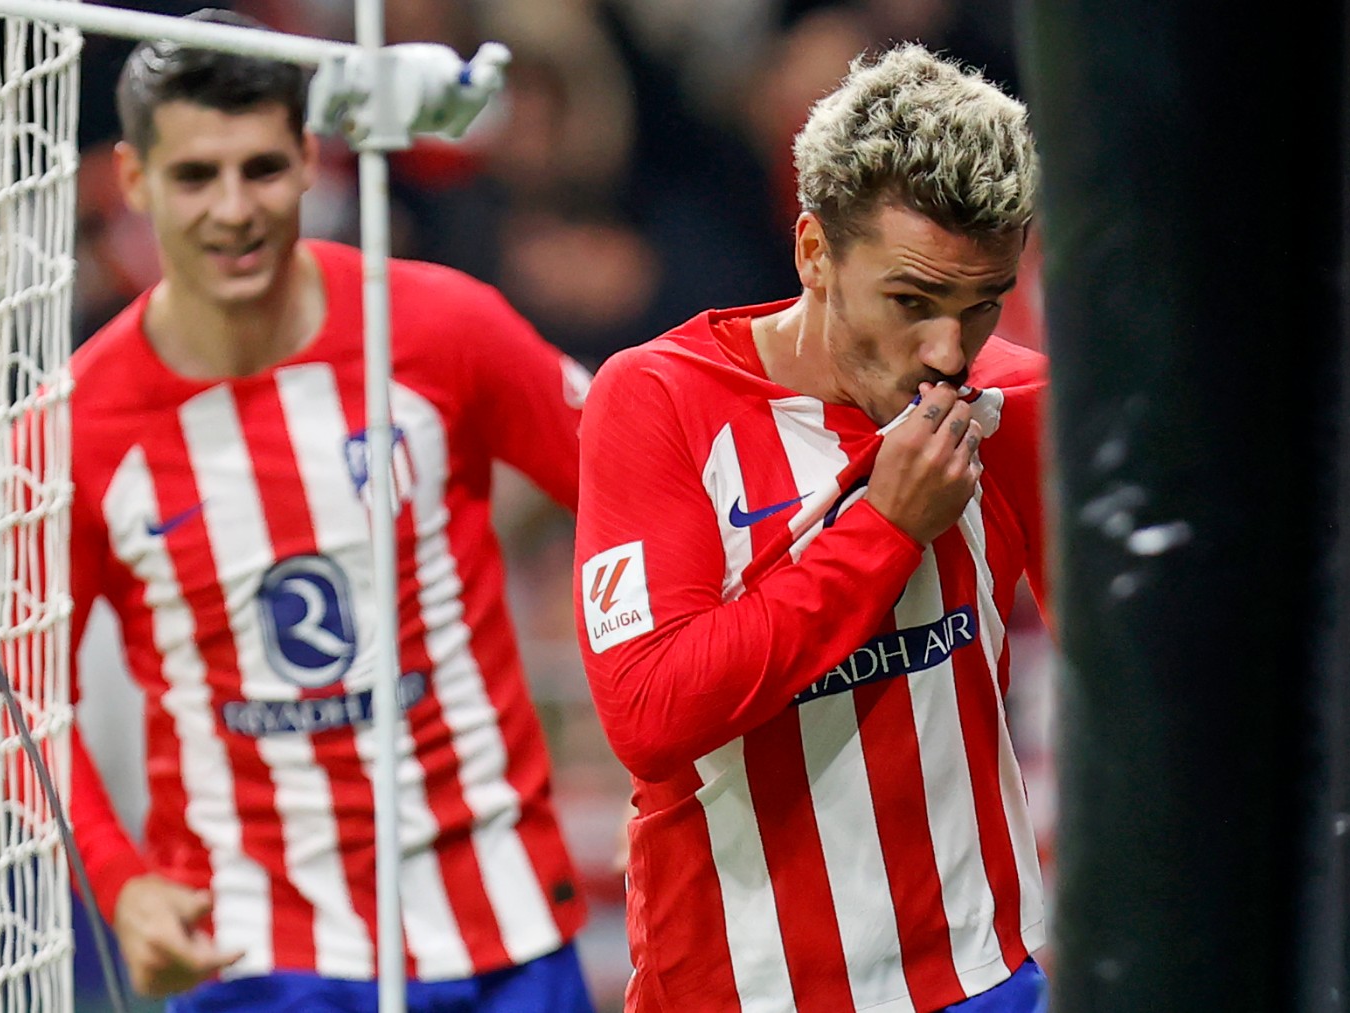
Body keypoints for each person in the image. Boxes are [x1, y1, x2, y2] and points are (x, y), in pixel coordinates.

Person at [65, 11, 595, 1010]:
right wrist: (120, 874)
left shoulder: (441, 327)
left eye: (261, 168)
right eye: (194, 176)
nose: (233, 210)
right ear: (134, 182)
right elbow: (8, 685)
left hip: (503, 923)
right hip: (254, 952)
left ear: (310, 159)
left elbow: (633, 485)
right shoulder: (81, 425)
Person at [574, 44, 1050, 1013]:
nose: (947, 353)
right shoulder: (659, 399)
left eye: (982, 303)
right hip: (738, 989)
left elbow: (1135, 689)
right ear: (813, 252)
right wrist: (883, 528)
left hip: (983, 977)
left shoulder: (1017, 399)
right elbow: (651, 712)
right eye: (912, 302)